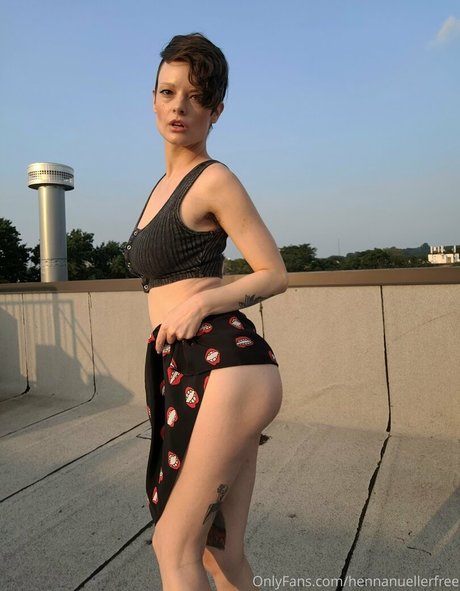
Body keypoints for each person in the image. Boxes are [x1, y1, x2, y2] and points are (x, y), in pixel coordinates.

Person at [125, 32, 288, 591]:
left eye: (196, 97)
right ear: (153, 100)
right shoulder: (161, 187)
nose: (179, 107)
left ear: (216, 110)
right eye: (168, 92)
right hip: (192, 368)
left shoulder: (213, 178)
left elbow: (274, 272)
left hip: (226, 367)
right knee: (221, 554)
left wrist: (203, 300)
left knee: (174, 549)